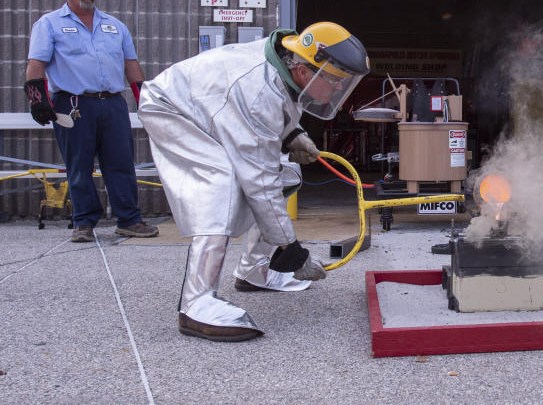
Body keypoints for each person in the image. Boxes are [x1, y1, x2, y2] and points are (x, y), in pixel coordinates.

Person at [138, 21, 370, 341]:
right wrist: (294, 252)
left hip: (207, 106)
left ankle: (255, 270)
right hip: (171, 108)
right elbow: (259, 181)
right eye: (334, 82)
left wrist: (293, 134)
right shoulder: (259, 91)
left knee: (286, 174)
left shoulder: (287, 61)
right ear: (305, 72)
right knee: (220, 184)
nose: (335, 91)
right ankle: (197, 303)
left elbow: (282, 108)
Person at [25, 0, 158, 242]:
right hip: (72, 104)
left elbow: (131, 65)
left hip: (112, 104)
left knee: (121, 163)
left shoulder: (115, 26)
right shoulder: (49, 24)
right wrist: (38, 100)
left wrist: (146, 100)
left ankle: (129, 220)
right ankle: (84, 223)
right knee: (79, 166)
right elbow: (36, 64)